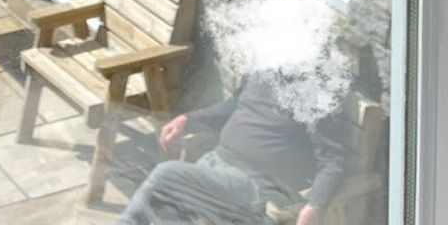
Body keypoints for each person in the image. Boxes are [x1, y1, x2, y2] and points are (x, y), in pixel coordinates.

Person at [115, 68, 353, 225]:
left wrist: (316, 205)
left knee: (166, 175)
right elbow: (235, 105)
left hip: (257, 189)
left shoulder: (317, 89)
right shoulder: (266, 64)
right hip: (217, 167)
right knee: (168, 211)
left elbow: (334, 158)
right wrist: (188, 120)